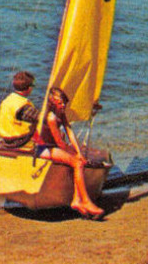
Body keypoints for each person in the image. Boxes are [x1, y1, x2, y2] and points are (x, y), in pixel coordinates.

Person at [33, 86, 106, 218]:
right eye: (60, 103)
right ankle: (85, 200)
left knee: (80, 159)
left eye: (64, 103)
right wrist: (75, 156)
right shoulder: (50, 117)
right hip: (44, 148)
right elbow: (60, 143)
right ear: (52, 103)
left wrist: (78, 151)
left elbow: (69, 131)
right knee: (78, 163)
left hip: (54, 146)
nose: (63, 106)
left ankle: (76, 200)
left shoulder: (60, 113)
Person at [0, 71, 41, 146]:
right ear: (29, 88)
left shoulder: (8, 99)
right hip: (20, 141)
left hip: (7, 139)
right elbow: (40, 119)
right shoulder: (22, 105)